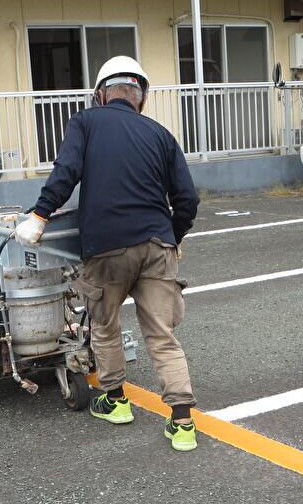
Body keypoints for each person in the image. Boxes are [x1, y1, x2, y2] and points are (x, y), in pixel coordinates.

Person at [15, 56, 201, 451]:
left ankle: (116, 402)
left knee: (105, 325)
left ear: (100, 94)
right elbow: (187, 198)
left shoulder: (85, 122)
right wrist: (174, 236)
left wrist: (40, 214)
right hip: (157, 245)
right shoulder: (161, 135)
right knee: (162, 336)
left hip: (106, 248)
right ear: (142, 98)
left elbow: (65, 172)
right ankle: (183, 423)